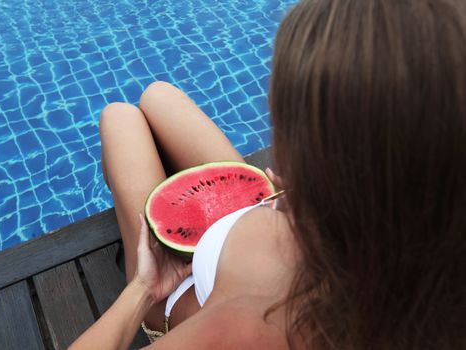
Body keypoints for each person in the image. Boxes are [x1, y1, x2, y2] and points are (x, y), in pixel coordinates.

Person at [70, 0, 466, 348]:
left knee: (119, 119)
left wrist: (143, 289)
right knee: (159, 94)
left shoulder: (245, 328)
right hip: (258, 215)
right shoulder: (419, 265)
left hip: (178, 289)